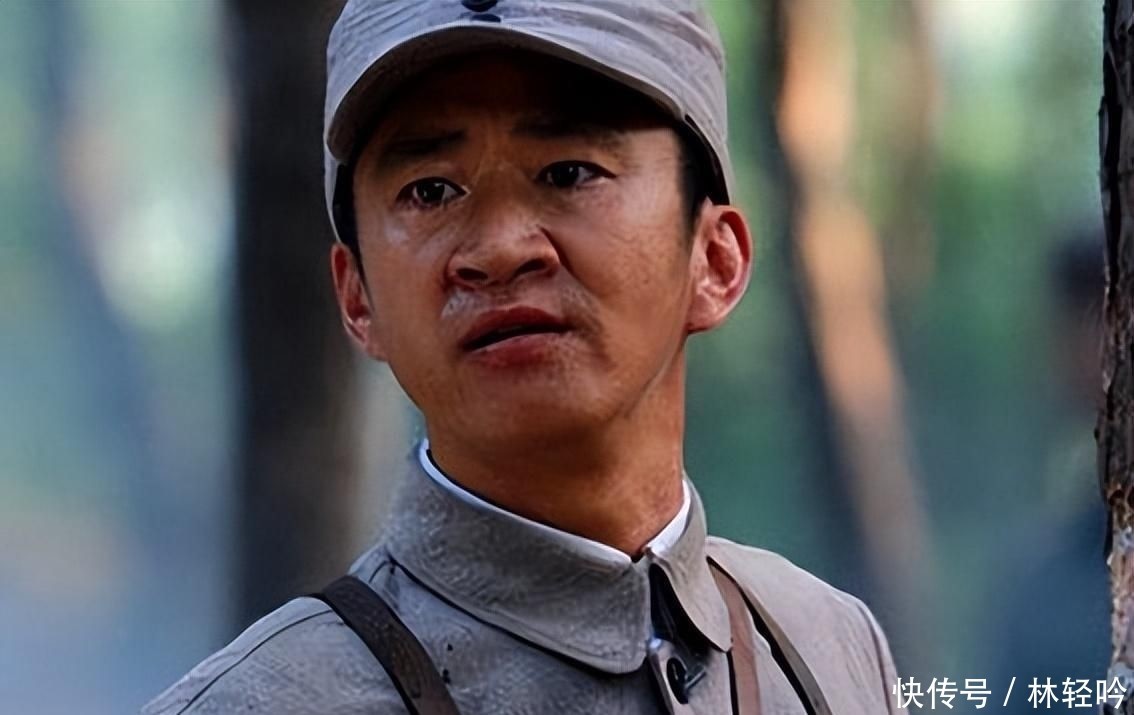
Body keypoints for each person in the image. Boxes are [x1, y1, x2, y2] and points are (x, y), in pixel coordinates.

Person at [144, 1, 905, 713]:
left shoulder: (829, 647)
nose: (501, 248)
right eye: (430, 190)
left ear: (715, 259)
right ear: (358, 297)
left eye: (568, 172)